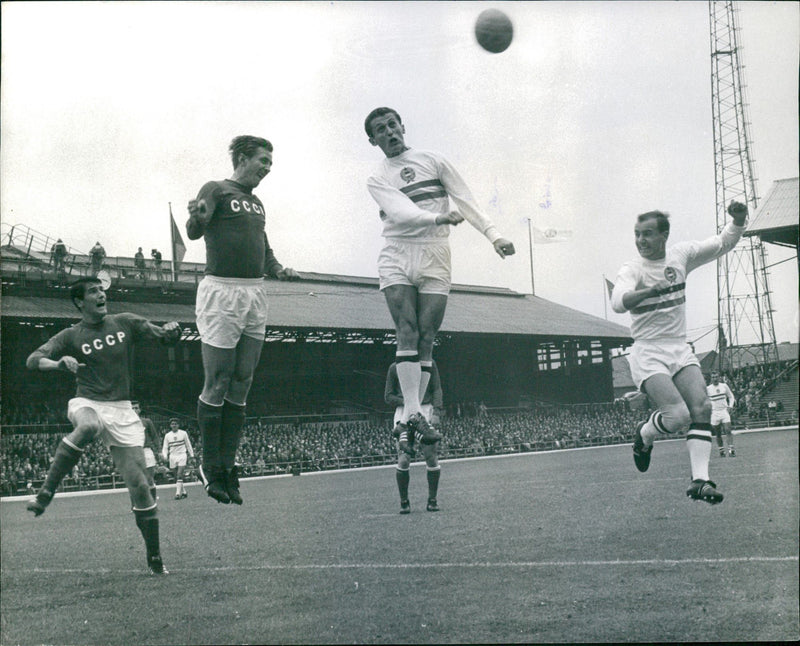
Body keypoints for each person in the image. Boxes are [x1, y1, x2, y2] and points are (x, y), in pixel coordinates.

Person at [364, 107, 515, 451]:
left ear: (402, 126)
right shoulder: (377, 178)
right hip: (398, 251)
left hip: (435, 253)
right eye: (380, 130)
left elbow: (466, 199)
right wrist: (437, 217)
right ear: (373, 140)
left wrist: (494, 236)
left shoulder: (433, 160)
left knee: (427, 336)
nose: (389, 132)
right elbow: (402, 213)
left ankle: (410, 419)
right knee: (407, 330)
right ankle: (413, 415)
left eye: (392, 125)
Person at [25, 277, 181, 574]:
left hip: (122, 410)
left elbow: (161, 335)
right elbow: (34, 360)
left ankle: (155, 558)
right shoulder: (70, 335)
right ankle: (45, 493)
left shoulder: (124, 322)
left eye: (101, 290)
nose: (101, 294)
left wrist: (173, 331)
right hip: (88, 402)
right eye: (93, 291)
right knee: (87, 427)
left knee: (142, 488)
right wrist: (59, 364)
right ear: (79, 302)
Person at [186, 134, 299, 506]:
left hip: (254, 292)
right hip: (222, 290)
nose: (268, 167)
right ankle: (209, 466)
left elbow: (262, 243)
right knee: (217, 380)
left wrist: (278, 268)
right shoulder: (216, 188)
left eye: (270, 162)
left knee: (242, 380)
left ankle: (228, 466)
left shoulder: (257, 202)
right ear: (242, 158)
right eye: (263, 160)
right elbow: (195, 229)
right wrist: (196, 217)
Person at [611, 201, 748, 505]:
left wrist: (738, 221)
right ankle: (645, 433)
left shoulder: (681, 256)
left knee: (702, 408)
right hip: (648, 351)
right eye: (637, 234)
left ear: (664, 236)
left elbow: (722, 243)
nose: (641, 240)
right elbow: (618, 301)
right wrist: (643, 293)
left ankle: (699, 481)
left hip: (678, 346)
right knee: (677, 416)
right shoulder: (633, 268)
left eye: (647, 234)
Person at [385, 360, 443, 513]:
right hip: (404, 411)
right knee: (404, 458)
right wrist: (409, 401)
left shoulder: (429, 364)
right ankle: (404, 502)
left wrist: (437, 411)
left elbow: (437, 388)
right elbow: (388, 396)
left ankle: (432, 500)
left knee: (431, 456)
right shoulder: (395, 367)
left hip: (425, 410)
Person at [134, 402, 161, 501]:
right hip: (133, 452)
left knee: (149, 479)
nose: (134, 410)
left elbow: (154, 436)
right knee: (135, 481)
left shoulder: (147, 421)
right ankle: (135, 505)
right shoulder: (126, 424)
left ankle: (153, 502)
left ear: (139, 410)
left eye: (136, 408)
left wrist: (159, 451)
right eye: (132, 408)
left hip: (146, 451)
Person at [161, 418, 194, 500]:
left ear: (178, 425)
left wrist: (191, 455)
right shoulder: (167, 435)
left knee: (179, 474)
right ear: (170, 425)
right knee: (177, 476)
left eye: (175, 424)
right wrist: (165, 456)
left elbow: (188, 444)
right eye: (172, 424)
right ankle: (184, 492)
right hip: (172, 456)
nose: (174, 425)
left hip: (182, 455)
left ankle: (177, 494)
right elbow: (165, 447)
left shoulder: (183, 433)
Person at [707, 372, 736, 458]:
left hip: (724, 411)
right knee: (718, 433)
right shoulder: (708, 389)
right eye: (713, 377)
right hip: (714, 413)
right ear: (711, 378)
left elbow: (731, 396)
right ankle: (721, 450)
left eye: (716, 377)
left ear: (719, 377)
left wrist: (730, 406)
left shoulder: (724, 386)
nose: (715, 378)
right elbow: (704, 401)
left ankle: (731, 450)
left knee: (728, 430)